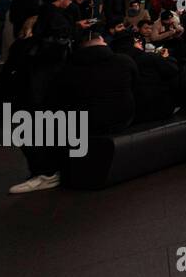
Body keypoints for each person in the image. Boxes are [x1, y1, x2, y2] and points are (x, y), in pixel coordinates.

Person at [9, 28, 136, 194]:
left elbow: (56, 101)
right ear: (102, 42)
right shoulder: (125, 61)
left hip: (92, 121)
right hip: (125, 117)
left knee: (29, 127)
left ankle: (47, 174)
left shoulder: (68, 69)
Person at [111, 30, 179, 123]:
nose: (140, 43)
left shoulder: (113, 63)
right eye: (137, 41)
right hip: (159, 109)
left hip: (130, 114)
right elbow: (172, 70)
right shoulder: (149, 57)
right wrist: (166, 58)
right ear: (131, 43)